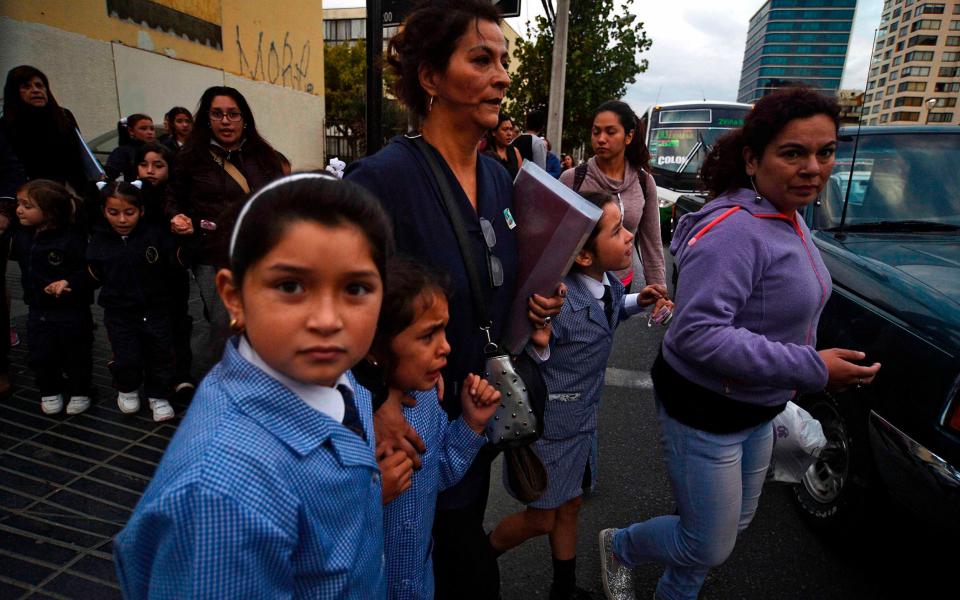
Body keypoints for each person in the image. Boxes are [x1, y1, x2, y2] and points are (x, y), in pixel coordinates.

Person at [597, 87, 883, 600]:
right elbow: (696, 333)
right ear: (753, 160)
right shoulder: (738, 230)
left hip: (757, 406)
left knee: (730, 526)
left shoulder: (786, 214)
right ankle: (620, 546)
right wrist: (812, 368)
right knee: (707, 543)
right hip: (705, 410)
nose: (813, 167)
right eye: (793, 152)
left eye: (826, 151)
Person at [345, 2, 565, 597]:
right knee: (430, 563)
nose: (501, 75)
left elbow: (492, 287)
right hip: (414, 428)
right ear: (430, 78)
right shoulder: (380, 181)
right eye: (481, 59)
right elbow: (341, 310)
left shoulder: (498, 178)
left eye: (503, 61)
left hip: (476, 415)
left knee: (460, 535)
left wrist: (533, 308)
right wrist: (377, 402)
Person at [114, 173, 392, 598]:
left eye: (355, 288)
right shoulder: (220, 499)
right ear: (233, 296)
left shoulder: (328, 371)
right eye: (290, 286)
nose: (328, 320)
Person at [488, 191, 671, 600]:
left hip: (581, 425)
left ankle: (564, 587)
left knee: (569, 506)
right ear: (584, 256)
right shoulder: (560, 302)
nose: (628, 237)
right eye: (617, 230)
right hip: (553, 430)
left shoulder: (604, 282)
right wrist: (540, 339)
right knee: (540, 518)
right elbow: (533, 353)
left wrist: (634, 302)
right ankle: (479, 556)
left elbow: (608, 308)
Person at [371, 257, 501, 600]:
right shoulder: (349, 417)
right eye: (428, 335)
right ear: (376, 341)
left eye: (443, 330)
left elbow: (437, 474)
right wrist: (370, 496)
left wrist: (471, 423)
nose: (445, 347)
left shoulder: (428, 398)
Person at [165, 86, 284, 376]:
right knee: (223, 321)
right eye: (217, 114)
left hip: (256, 253)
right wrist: (176, 215)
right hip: (211, 253)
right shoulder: (190, 157)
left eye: (233, 114)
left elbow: (281, 198)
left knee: (260, 317)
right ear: (207, 119)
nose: (226, 121)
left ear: (245, 119)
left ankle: (260, 376)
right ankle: (222, 384)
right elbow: (172, 196)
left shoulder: (264, 156)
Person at [87, 181, 183, 421]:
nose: (122, 219)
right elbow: (92, 273)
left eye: (129, 212)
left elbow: (175, 262)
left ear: (141, 210)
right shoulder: (99, 241)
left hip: (156, 308)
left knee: (160, 353)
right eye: (114, 212)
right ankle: (127, 388)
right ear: (103, 211)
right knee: (126, 355)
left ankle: (158, 394)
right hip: (119, 312)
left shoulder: (153, 235)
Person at [560, 100, 664, 292]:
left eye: (610, 132)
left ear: (628, 136)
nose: (601, 139)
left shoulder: (644, 182)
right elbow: (556, 238)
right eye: (596, 131)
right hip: (576, 285)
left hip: (622, 283)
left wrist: (658, 288)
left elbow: (652, 241)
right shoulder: (573, 179)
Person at [9, 180, 93, 415]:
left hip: (71, 310)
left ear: (49, 213)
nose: (19, 210)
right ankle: (49, 389)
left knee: (75, 353)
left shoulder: (71, 238)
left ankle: (80, 391)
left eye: (27, 206)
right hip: (37, 309)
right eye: (19, 204)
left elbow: (87, 270)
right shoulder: (23, 234)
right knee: (41, 353)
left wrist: (69, 283)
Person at [136, 142, 194, 399]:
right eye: (144, 165)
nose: (150, 171)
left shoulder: (178, 198)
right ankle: (151, 377)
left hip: (171, 272)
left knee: (178, 323)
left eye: (158, 165)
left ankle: (181, 375)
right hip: (141, 274)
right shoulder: (131, 196)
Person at [1, 66, 87, 193]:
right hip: (27, 195)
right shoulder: (6, 124)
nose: (35, 90)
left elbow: (79, 158)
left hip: (65, 192)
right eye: (26, 86)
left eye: (39, 85)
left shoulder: (63, 116)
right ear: (15, 92)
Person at [106, 114, 156, 182]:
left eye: (152, 129)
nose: (150, 132)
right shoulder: (121, 152)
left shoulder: (159, 150)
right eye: (143, 128)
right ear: (131, 131)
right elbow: (110, 176)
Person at [483, 113, 522, 180]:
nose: (509, 134)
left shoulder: (515, 151)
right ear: (493, 132)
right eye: (505, 129)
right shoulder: (486, 154)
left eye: (511, 129)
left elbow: (521, 178)